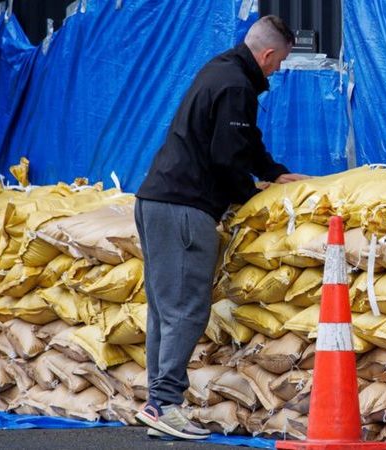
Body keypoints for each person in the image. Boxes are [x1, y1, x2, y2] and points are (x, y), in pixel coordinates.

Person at [133, 16, 308, 440]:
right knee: (185, 311)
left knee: (163, 311)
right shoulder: (236, 85)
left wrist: (272, 171)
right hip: (185, 210)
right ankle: (165, 404)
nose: (278, 70)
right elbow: (227, 156)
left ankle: (159, 403)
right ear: (267, 54)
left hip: (155, 201)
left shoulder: (221, 70)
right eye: (280, 61)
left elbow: (244, 142)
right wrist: (252, 199)